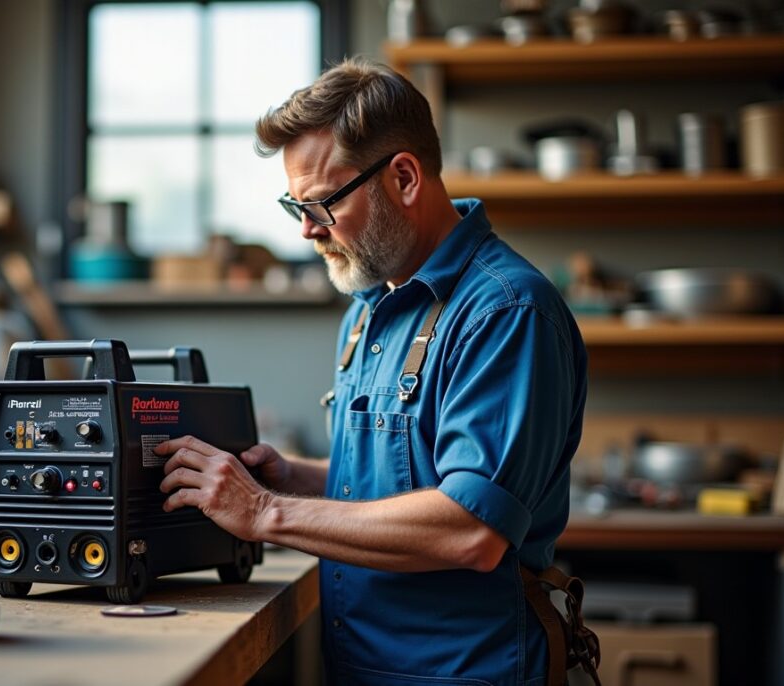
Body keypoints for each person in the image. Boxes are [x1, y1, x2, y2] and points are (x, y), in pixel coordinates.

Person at [153, 57, 589, 686]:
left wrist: (267, 511)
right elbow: (406, 480)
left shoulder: (506, 313)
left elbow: (470, 529)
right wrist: (298, 478)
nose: (306, 230)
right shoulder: (370, 307)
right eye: (292, 205)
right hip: (362, 667)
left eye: (322, 204)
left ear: (404, 177)